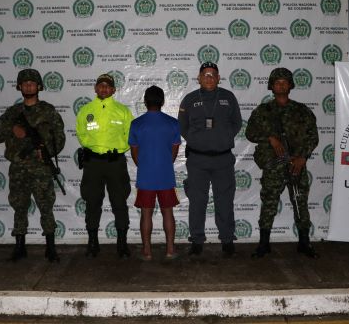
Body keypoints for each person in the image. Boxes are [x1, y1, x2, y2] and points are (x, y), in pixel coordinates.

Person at [0, 68, 66, 262]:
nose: (28, 86)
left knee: (46, 207)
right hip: (18, 168)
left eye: (32, 83)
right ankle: (19, 247)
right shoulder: (13, 113)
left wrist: (47, 150)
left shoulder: (48, 111)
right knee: (19, 206)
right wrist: (12, 129)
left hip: (41, 168)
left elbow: (59, 137)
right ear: (19, 87)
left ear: (39, 86)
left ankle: (51, 248)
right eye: (24, 83)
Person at [245, 67, 319, 259]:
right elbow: (250, 133)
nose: (280, 85)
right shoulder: (263, 111)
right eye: (277, 82)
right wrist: (270, 138)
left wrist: (302, 157)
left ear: (290, 85)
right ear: (271, 86)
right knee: (269, 204)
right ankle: (264, 244)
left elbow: (313, 137)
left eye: (284, 82)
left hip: (296, 164)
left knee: (300, 203)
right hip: (274, 165)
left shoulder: (302, 111)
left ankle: (304, 243)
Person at [178, 62, 242, 257]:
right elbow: (182, 126)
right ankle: (197, 240)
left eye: (213, 74)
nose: (209, 78)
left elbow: (237, 123)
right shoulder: (190, 99)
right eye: (205, 74)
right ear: (199, 78)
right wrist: (198, 140)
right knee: (197, 201)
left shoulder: (228, 97)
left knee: (225, 201)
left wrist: (223, 137)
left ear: (218, 78)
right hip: (198, 160)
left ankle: (227, 239)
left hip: (223, 160)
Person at [76, 73, 134, 258]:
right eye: (100, 85)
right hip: (93, 163)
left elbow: (130, 135)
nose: (103, 88)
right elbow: (81, 133)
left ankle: (122, 244)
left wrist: (117, 149)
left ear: (113, 90)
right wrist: (94, 148)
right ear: (95, 88)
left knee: (119, 202)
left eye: (107, 86)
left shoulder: (122, 111)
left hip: (115, 162)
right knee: (92, 202)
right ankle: (93, 243)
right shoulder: (86, 110)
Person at [128, 85, 181, 261]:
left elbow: (134, 154)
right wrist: (163, 164)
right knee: (168, 212)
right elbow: (174, 153)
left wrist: (145, 166)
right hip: (165, 175)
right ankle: (170, 250)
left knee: (146, 214)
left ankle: (147, 251)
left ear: (145, 101)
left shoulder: (136, 124)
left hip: (146, 176)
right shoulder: (173, 123)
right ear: (163, 101)